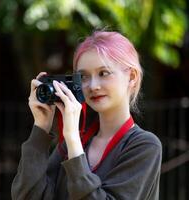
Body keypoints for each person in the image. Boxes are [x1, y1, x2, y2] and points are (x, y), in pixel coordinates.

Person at [11, 31, 162, 200]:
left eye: (103, 73)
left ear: (132, 77)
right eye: (83, 76)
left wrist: (73, 141)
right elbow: (27, 196)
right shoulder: (73, 144)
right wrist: (41, 128)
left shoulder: (145, 146)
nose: (93, 86)